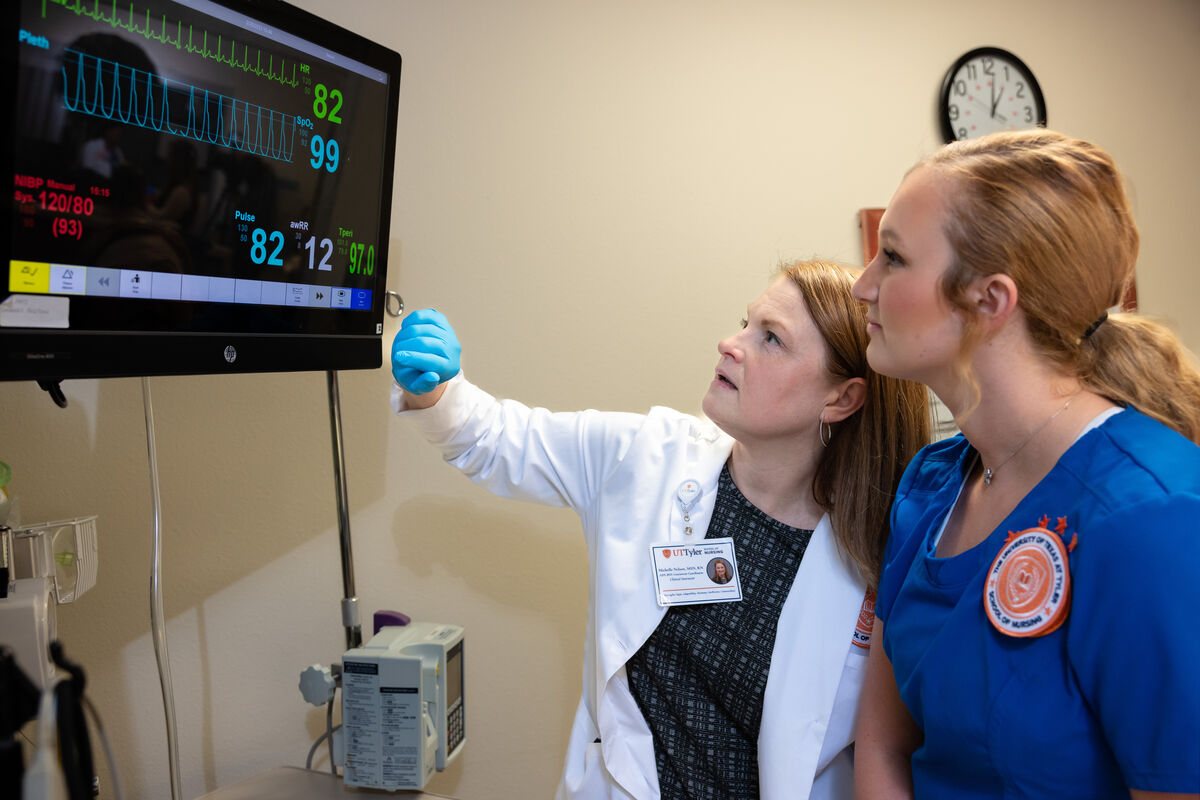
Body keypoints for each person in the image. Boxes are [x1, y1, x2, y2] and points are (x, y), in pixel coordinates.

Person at [391, 259, 931, 800]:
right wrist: (437, 391)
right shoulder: (649, 458)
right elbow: (494, 438)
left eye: (771, 339)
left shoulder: (879, 557)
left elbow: (888, 750)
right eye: (745, 322)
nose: (730, 343)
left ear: (840, 399)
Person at [850, 129, 1200, 800]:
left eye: (892, 258)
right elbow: (886, 746)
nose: (863, 285)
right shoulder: (930, 486)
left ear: (990, 301)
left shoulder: (1152, 518)